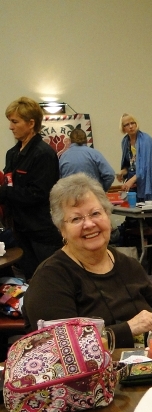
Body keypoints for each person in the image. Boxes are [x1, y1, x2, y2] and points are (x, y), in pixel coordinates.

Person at [23, 173, 152, 348]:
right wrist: (128, 329)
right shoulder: (50, 278)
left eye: (95, 213)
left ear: (108, 216)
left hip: (150, 360)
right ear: (62, 230)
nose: (89, 224)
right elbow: (60, 347)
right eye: (76, 219)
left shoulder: (129, 265)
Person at [2, 97, 63, 280]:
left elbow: (38, 194)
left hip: (41, 231)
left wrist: (3, 193)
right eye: (10, 121)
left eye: (15, 122)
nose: (10, 127)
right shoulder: (12, 154)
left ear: (31, 123)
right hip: (19, 229)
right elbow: (8, 181)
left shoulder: (43, 154)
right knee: (29, 277)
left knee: (50, 278)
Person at [116, 113, 152, 202]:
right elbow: (129, 165)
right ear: (123, 128)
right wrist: (121, 172)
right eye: (127, 125)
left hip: (148, 181)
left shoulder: (146, 140)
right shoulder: (125, 142)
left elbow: (147, 167)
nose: (131, 126)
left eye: (132, 123)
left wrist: (132, 180)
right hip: (135, 183)